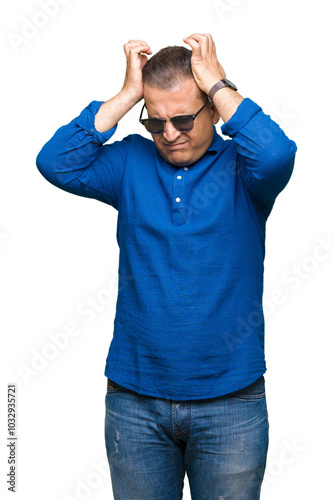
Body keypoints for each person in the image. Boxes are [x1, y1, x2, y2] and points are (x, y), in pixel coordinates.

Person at [36, 33, 297, 500]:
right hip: (134, 401)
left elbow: (278, 151)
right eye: (156, 122)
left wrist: (217, 82)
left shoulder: (246, 170)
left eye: (182, 119)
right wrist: (126, 95)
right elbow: (56, 162)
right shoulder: (131, 162)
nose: (169, 134)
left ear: (213, 110)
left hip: (231, 402)